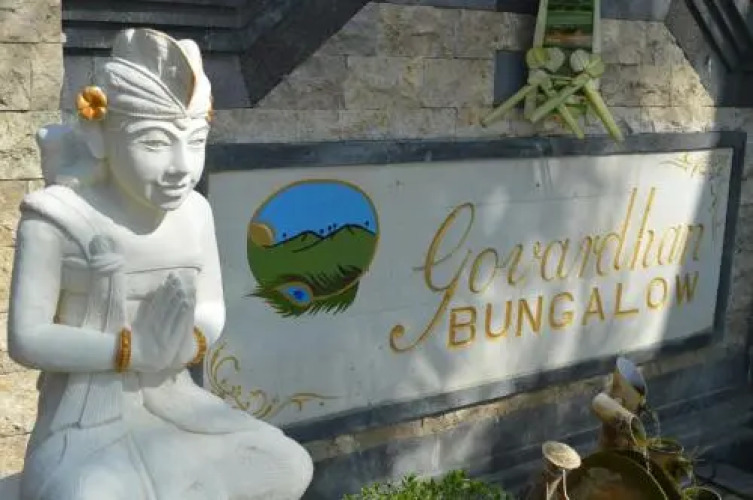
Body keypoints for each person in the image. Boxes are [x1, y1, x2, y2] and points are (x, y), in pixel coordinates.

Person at [7, 28, 313, 500]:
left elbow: (210, 307)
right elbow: (28, 338)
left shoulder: (195, 213)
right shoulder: (56, 220)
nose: (181, 167)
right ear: (99, 135)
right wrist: (131, 352)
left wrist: (187, 342)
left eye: (195, 141)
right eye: (154, 143)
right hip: (85, 420)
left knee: (289, 466)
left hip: (176, 401)